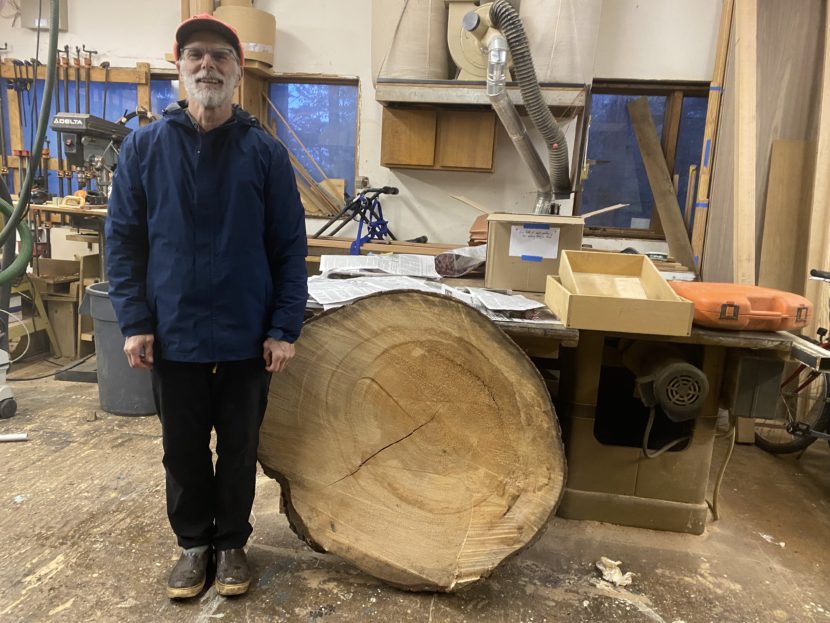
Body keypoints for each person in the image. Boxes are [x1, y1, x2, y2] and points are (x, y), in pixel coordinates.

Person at [105, 14, 308, 599]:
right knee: (183, 447)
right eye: (196, 54)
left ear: (238, 71)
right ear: (179, 66)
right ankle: (194, 545)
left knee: (241, 446)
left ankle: (232, 544)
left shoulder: (264, 154)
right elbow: (124, 241)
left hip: (247, 333)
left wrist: (282, 328)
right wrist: (136, 321)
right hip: (174, 332)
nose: (207, 65)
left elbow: (289, 249)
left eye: (221, 56)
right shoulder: (144, 148)